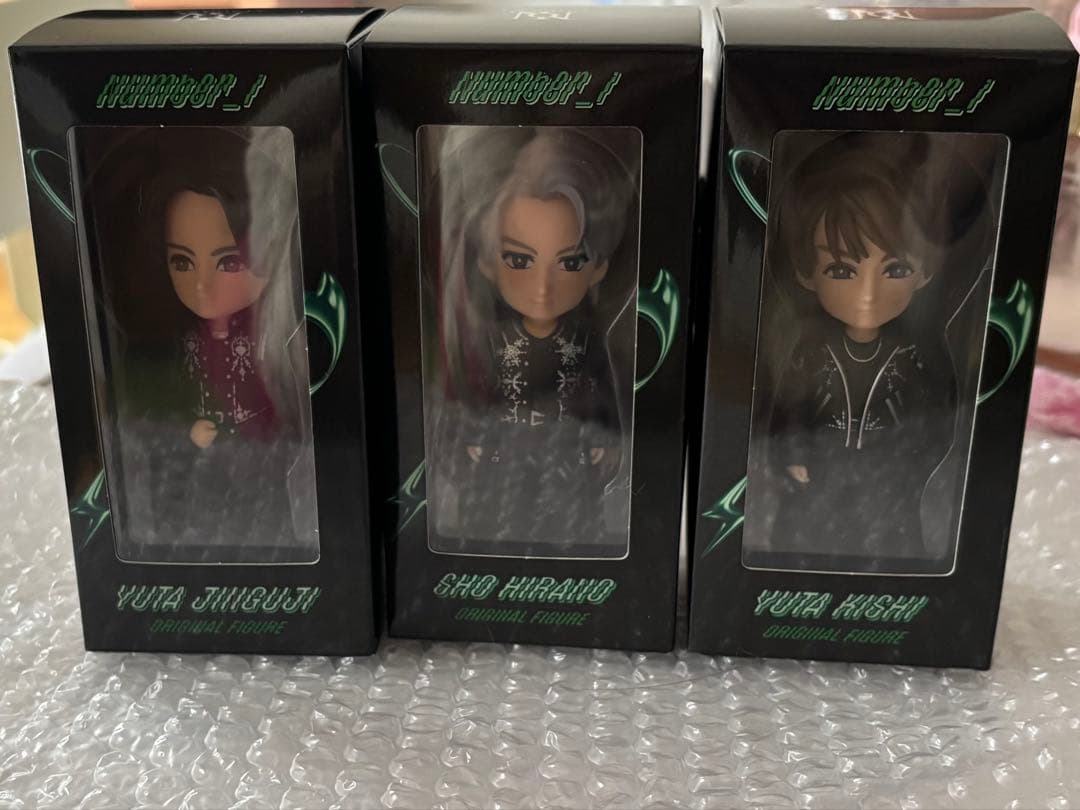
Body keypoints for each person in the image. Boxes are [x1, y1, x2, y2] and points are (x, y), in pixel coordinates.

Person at [426, 127, 637, 557]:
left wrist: (608, 441)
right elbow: (467, 401)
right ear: (488, 262)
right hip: (499, 465)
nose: (543, 289)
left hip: (570, 464)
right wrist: (467, 444)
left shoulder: (588, 342)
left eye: (570, 262)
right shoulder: (489, 342)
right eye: (519, 260)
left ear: (598, 267)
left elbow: (606, 395)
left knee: (573, 535)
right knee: (489, 530)